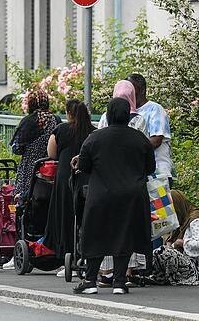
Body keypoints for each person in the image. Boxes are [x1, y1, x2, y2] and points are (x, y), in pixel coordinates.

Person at [72, 98, 155, 295]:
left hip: (101, 195)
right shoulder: (140, 139)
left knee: (95, 234)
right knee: (124, 235)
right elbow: (150, 168)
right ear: (128, 115)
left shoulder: (94, 138)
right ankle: (119, 282)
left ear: (108, 115)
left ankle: (90, 280)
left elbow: (84, 166)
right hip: (132, 195)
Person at [44, 99, 95, 265]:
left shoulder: (61, 130)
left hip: (65, 178)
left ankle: (66, 254)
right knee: (85, 216)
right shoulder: (93, 132)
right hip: (88, 179)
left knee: (65, 215)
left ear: (68, 114)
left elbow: (51, 153)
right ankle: (85, 253)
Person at [151, 190, 199, 286]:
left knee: (162, 252)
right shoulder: (181, 223)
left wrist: (183, 243)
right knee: (156, 253)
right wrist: (171, 245)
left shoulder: (196, 220)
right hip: (189, 264)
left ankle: (163, 277)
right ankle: (157, 276)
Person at [10, 90, 61, 199]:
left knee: (26, 200)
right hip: (50, 168)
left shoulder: (28, 121)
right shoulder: (56, 120)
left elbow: (16, 148)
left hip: (29, 168)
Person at [127, 73, 174, 177]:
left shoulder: (155, 109)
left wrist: (130, 150)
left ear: (142, 90)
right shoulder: (126, 112)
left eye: (132, 89)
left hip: (158, 173)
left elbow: (156, 140)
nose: (129, 93)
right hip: (139, 172)